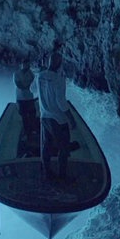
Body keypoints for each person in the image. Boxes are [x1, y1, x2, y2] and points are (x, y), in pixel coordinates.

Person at [37, 51, 76, 180]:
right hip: (58, 120)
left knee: (46, 144)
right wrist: (71, 119)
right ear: (60, 64)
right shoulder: (59, 80)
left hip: (44, 116)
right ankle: (62, 176)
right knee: (64, 148)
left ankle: (46, 172)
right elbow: (61, 102)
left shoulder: (39, 76)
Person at [14, 58, 38, 140]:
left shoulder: (31, 73)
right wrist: (28, 86)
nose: (27, 66)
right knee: (24, 116)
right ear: (22, 65)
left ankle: (32, 130)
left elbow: (33, 84)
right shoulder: (16, 74)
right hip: (21, 98)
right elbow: (19, 85)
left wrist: (28, 87)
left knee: (32, 114)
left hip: (29, 98)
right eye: (25, 64)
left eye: (28, 64)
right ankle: (26, 132)